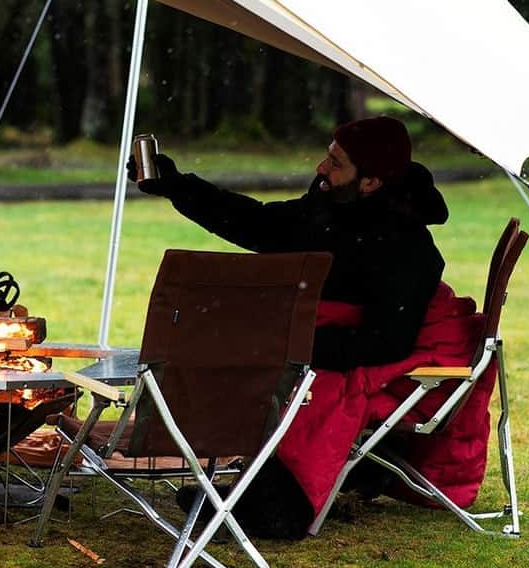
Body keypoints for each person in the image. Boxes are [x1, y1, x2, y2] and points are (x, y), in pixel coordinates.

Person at [129, 115, 449, 538]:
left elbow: (386, 341)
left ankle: (281, 506)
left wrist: (295, 347)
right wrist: (176, 185)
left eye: (335, 163)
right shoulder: (332, 204)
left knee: (316, 384)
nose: (321, 168)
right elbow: (259, 223)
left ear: (370, 182)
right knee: (248, 341)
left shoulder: (406, 246)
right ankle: (254, 485)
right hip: (333, 338)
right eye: (326, 157)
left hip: (392, 353)